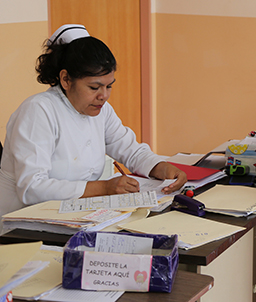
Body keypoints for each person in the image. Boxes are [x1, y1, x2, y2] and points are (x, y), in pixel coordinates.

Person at [0, 24, 187, 225]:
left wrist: (162, 167)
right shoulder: (38, 111)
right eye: (94, 87)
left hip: (78, 218)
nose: (103, 96)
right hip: (26, 227)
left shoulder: (101, 110)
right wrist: (103, 188)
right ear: (65, 79)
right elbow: (32, 188)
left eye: (109, 86)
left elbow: (131, 151)